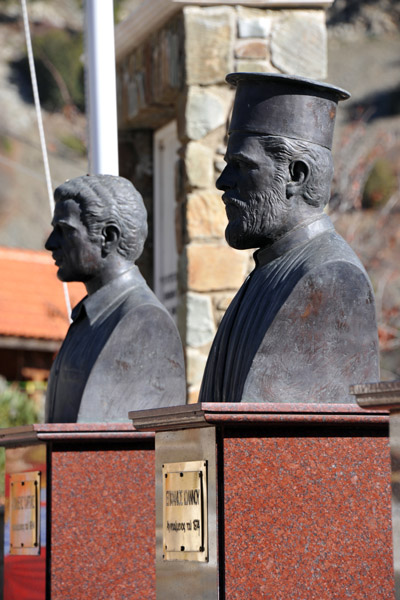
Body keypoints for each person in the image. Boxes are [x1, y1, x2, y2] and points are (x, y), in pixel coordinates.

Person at [199, 73, 379, 404]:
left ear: (296, 175)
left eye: (242, 166)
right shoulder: (266, 273)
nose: (223, 182)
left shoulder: (330, 278)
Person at [45, 174, 185, 422]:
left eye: (64, 231)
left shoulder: (145, 322)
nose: (50, 243)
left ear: (108, 237)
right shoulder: (88, 320)